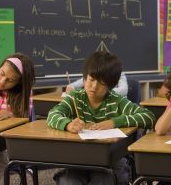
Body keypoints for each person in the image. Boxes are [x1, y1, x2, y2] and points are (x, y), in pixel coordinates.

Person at [47, 51, 155, 185]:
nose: (94, 87)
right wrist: (68, 124)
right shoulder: (75, 97)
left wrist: (114, 122)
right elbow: (52, 115)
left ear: (110, 85)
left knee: (104, 181)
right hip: (79, 158)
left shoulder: (116, 101)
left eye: (101, 83)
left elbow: (148, 117)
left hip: (110, 161)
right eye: (91, 80)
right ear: (85, 78)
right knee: (67, 181)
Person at [0, 53, 35, 121]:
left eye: (10, 80)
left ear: (18, 83)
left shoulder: (24, 93)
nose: (2, 81)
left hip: (6, 130)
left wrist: (11, 115)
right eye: (2, 74)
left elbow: (25, 118)